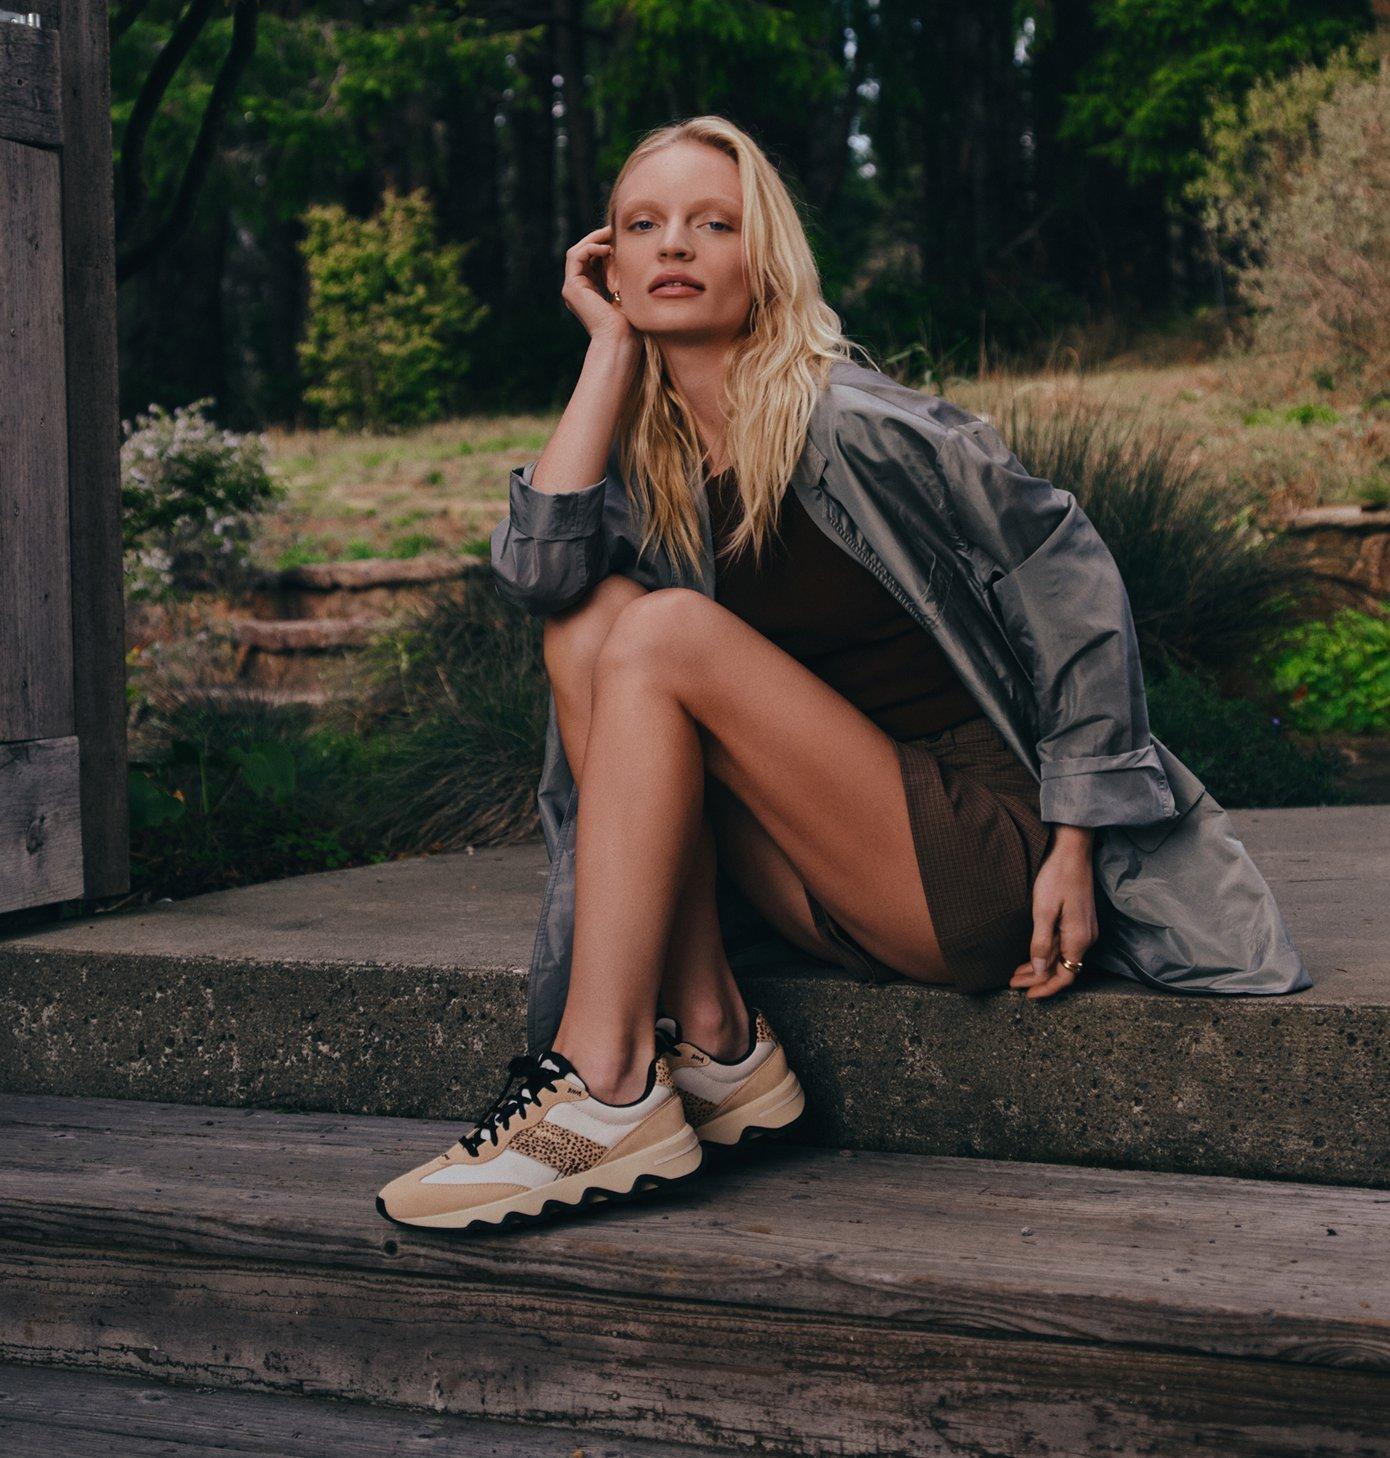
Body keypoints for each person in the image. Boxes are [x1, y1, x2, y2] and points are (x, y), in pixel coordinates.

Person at [377, 116, 1309, 1234]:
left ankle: (605, 1080)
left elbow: (1069, 573)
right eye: (643, 226)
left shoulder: (855, 422)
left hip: (971, 851)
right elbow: (539, 575)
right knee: (591, 624)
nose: (674, 246)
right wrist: (607, 352)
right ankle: (718, 1042)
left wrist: (1078, 829)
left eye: (711, 224)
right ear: (608, 264)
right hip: (823, 855)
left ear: (762, 259)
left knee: (660, 631)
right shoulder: (652, 456)